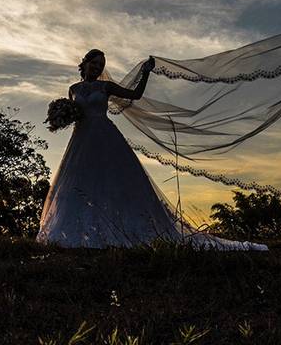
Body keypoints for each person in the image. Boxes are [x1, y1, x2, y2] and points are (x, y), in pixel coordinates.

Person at [36, 48, 268, 250]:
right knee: (79, 182)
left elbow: (135, 95)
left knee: (112, 182)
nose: (97, 67)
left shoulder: (106, 86)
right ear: (84, 63)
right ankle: (74, 232)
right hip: (81, 139)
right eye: (94, 63)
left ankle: (119, 230)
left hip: (104, 136)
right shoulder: (73, 88)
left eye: (101, 65)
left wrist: (145, 72)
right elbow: (76, 113)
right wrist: (61, 117)